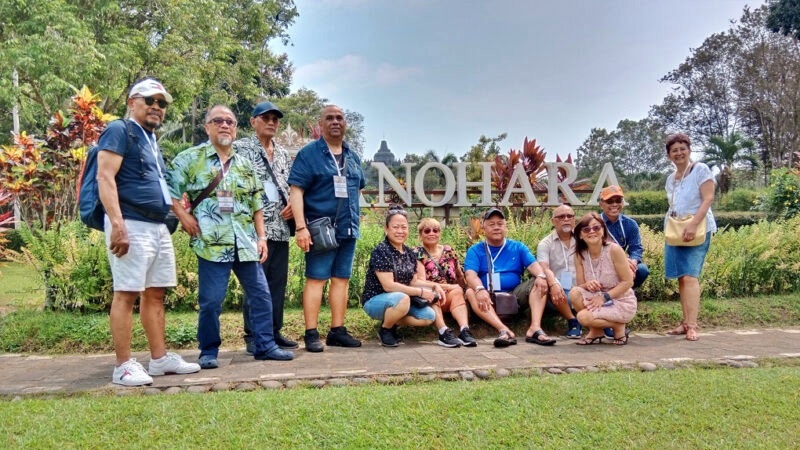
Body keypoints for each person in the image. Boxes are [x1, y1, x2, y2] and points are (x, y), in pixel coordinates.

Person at [167, 105, 294, 368]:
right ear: (207, 127)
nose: (225, 125)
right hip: (212, 243)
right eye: (218, 121)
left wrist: (261, 238)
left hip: (246, 242)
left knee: (261, 295)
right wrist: (184, 216)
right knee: (212, 301)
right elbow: (168, 190)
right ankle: (209, 350)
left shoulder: (245, 164)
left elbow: (256, 203)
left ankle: (265, 345)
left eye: (230, 122)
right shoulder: (190, 159)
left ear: (236, 129)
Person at [97, 78, 200, 386]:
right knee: (126, 293)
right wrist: (117, 223)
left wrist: (177, 212)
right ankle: (123, 366)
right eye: (150, 101)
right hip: (130, 221)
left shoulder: (151, 139)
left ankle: (158, 360)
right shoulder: (120, 130)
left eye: (162, 103)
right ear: (132, 102)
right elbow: (105, 176)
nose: (157, 107)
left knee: (155, 293)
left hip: (156, 226)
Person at [288, 104, 365, 352]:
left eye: (340, 118)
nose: (335, 122)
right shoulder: (309, 154)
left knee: (341, 279)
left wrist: (356, 216)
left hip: (348, 228)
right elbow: (296, 190)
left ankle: (337, 331)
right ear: (320, 124)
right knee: (316, 279)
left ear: (345, 124)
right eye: (329, 118)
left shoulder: (352, 157)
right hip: (321, 229)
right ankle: (311, 333)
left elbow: (358, 189)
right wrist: (301, 227)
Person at [234, 101, 298, 353]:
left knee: (276, 283)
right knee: (255, 284)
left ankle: (273, 331)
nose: (271, 122)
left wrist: (294, 204)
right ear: (253, 121)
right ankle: (252, 335)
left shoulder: (283, 153)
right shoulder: (240, 149)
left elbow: (292, 185)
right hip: (253, 229)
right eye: (266, 117)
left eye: (275, 118)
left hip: (280, 227)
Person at [362, 207, 460, 347]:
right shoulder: (381, 250)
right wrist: (421, 292)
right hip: (376, 300)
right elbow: (389, 286)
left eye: (404, 227)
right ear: (386, 229)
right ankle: (385, 330)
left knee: (428, 316)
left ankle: (392, 320)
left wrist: (433, 286)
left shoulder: (409, 253)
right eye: (396, 227)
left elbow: (414, 281)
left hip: (401, 300)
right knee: (403, 298)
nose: (400, 231)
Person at [464, 207, 560, 348]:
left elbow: (534, 266)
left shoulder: (517, 247)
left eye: (500, 224)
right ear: (483, 228)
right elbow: (470, 275)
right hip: (488, 298)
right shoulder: (475, 250)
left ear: (506, 227)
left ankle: (535, 329)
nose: (496, 227)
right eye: (492, 224)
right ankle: (503, 330)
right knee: (470, 292)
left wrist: (540, 275)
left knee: (538, 282)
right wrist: (479, 288)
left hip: (514, 296)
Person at [663, 133, 717, 342]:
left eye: (682, 148)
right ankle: (684, 322)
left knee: (690, 275)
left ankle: (693, 325)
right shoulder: (671, 179)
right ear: (669, 155)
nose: (679, 153)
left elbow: (708, 198)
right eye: (674, 150)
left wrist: (693, 224)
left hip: (698, 228)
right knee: (681, 277)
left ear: (689, 150)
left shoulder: (700, 170)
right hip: (676, 230)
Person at [569, 213, 637, 345]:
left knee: (582, 317)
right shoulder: (579, 255)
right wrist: (588, 284)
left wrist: (604, 297)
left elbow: (628, 282)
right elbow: (580, 285)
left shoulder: (614, 250)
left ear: (603, 231)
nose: (592, 232)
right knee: (574, 293)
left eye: (596, 228)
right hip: (595, 297)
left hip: (620, 300)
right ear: (580, 235)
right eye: (586, 229)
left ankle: (618, 326)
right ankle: (596, 331)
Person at [413, 217, 478, 347]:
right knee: (433, 293)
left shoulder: (448, 250)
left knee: (457, 291)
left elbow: (459, 275)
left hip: (449, 294)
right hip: (430, 293)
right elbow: (421, 281)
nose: (432, 233)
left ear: (439, 233)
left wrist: (465, 289)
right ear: (421, 235)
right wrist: (447, 286)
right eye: (427, 231)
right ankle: (443, 332)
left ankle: (464, 330)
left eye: (435, 230)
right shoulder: (417, 253)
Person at [535, 204, 582, 338]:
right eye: (561, 217)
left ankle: (603, 324)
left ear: (574, 219)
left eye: (569, 216)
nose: (566, 219)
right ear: (553, 221)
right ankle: (572, 321)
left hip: (581, 286)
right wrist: (554, 284)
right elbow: (543, 267)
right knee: (562, 295)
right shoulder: (545, 244)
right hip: (559, 289)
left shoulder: (582, 239)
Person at [598, 185, 650, 289]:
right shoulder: (594, 223)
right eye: (609, 201)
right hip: (600, 264)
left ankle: (626, 293)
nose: (614, 204)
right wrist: (622, 261)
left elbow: (636, 248)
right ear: (601, 204)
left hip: (622, 264)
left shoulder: (630, 224)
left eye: (618, 201)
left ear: (622, 203)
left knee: (642, 270)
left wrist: (633, 263)